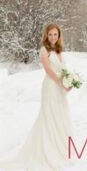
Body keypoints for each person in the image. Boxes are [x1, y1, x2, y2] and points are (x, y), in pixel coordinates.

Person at [0, 24, 73, 171]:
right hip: (51, 86)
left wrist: (69, 81)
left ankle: (61, 147)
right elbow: (48, 70)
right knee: (49, 116)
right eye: (50, 34)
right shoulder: (44, 49)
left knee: (59, 115)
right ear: (46, 35)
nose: (53, 37)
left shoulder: (59, 50)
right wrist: (61, 83)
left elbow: (62, 69)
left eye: (55, 34)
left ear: (59, 36)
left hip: (60, 88)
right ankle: (48, 151)